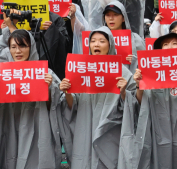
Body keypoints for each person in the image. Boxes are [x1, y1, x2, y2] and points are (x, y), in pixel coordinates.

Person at [119, 32, 177, 169]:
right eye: (165, 44)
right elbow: (141, 104)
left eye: (174, 43)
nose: (169, 46)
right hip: (157, 134)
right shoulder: (150, 71)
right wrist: (139, 84)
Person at [58, 27, 134, 169]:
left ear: (110, 45)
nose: (96, 45)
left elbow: (134, 104)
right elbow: (73, 105)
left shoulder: (122, 71)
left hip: (111, 133)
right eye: (92, 41)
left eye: (101, 41)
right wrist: (67, 92)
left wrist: (124, 92)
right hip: (85, 128)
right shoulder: (81, 69)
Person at [0, 29, 61, 169]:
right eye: (13, 47)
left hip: (36, 128)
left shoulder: (46, 74)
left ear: (31, 47)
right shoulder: (3, 74)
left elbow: (58, 104)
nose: (18, 51)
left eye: (23, 46)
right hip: (8, 125)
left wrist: (51, 88)